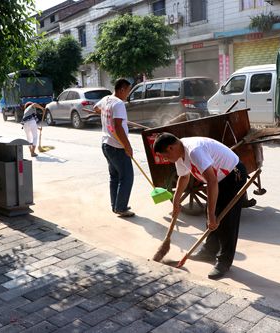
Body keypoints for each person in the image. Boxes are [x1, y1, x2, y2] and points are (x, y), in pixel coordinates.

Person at [153, 133, 247, 279]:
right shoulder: (179, 154)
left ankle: (224, 262)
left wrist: (211, 215)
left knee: (225, 219)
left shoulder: (194, 151)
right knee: (213, 215)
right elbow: (184, 177)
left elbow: (211, 181)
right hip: (217, 179)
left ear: (170, 148)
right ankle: (209, 251)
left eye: (165, 156)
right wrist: (176, 202)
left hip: (233, 175)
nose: (165, 159)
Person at [93, 78, 135, 217]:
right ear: (122, 89)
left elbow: (95, 108)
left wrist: (105, 114)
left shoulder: (106, 99)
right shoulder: (119, 104)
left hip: (106, 144)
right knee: (127, 177)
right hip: (117, 147)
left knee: (115, 177)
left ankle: (116, 206)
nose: (128, 94)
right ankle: (121, 208)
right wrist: (127, 146)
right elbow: (118, 127)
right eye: (128, 91)